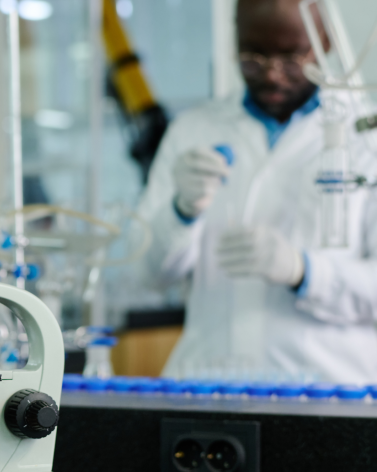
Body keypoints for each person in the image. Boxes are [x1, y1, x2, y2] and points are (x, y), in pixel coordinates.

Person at [137, 0, 377, 383]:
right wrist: (181, 212)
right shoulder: (193, 130)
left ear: (326, 41)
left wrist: (305, 270)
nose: (272, 75)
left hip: (330, 389)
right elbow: (148, 274)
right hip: (207, 383)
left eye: (290, 57)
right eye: (253, 56)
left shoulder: (367, 136)